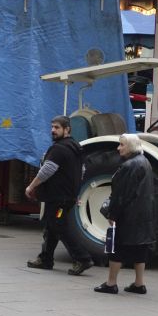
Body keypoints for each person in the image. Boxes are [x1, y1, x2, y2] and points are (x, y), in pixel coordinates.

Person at [26, 115, 94, 275]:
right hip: (65, 197)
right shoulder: (76, 147)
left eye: (57, 127)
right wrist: (76, 191)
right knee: (52, 227)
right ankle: (45, 259)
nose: (53, 130)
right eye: (52, 127)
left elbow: (47, 170)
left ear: (67, 129)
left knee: (58, 225)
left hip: (59, 198)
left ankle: (83, 259)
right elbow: (82, 171)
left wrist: (31, 186)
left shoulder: (59, 148)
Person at [94, 134, 155, 295]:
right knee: (140, 249)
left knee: (117, 249)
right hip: (143, 214)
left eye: (122, 145)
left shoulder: (128, 166)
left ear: (131, 147)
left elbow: (120, 195)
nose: (118, 148)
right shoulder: (145, 162)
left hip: (128, 215)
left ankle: (111, 283)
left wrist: (112, 214)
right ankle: (139, 283)